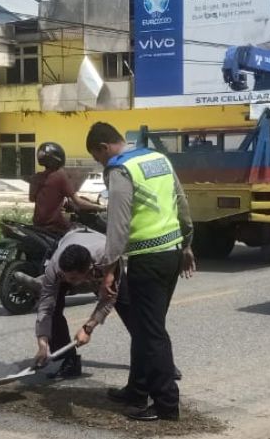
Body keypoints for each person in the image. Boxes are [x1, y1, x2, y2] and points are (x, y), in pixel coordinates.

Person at [86, 122, 195, 422]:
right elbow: (181, 202)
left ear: (104, 148)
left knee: (150, 332)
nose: (102, 164)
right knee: (148, 327)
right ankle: (137, 389)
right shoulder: (157, 158)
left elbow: (117, 226)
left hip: (147, 259)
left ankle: (165, 404)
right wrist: (187, 244)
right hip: (171, 253)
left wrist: (109, 270)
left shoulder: (120, 170)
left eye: (98, 158)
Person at [33, 229, 117, 381]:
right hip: (70, 239)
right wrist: (42, 343)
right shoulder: (55, 268)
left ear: (86, 271)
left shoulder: (107, 259)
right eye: (64, 276)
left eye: (72, 278)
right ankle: (69, 361)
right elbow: (45, 307)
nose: (66, 279)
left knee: (130, 310)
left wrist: (88, 328)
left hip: (100, 248)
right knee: (54, 311)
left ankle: (158, 364)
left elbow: (110, 299)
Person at [29, 141, 105, 234]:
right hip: (55, 226)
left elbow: (32, 198)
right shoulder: (60, 175)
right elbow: (79, 202)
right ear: (58, 157)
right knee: (84, 233)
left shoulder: (36, 177)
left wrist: (63, 201)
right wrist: (100, 207)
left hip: (38, 225)